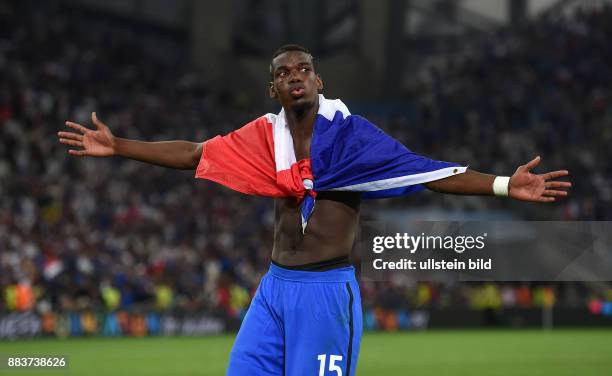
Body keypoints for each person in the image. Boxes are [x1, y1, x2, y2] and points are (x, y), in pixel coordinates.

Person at [58, 44, 571, 376]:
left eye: (305, 69)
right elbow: (195, 154)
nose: (296, 77)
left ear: (319, 81)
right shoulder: (263, 137)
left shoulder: (354, 139)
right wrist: (120, 145)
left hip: (326, 294)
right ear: (274, 89)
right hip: (274, 289)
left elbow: (429, 173)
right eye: (284, 73)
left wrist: (506, 184)